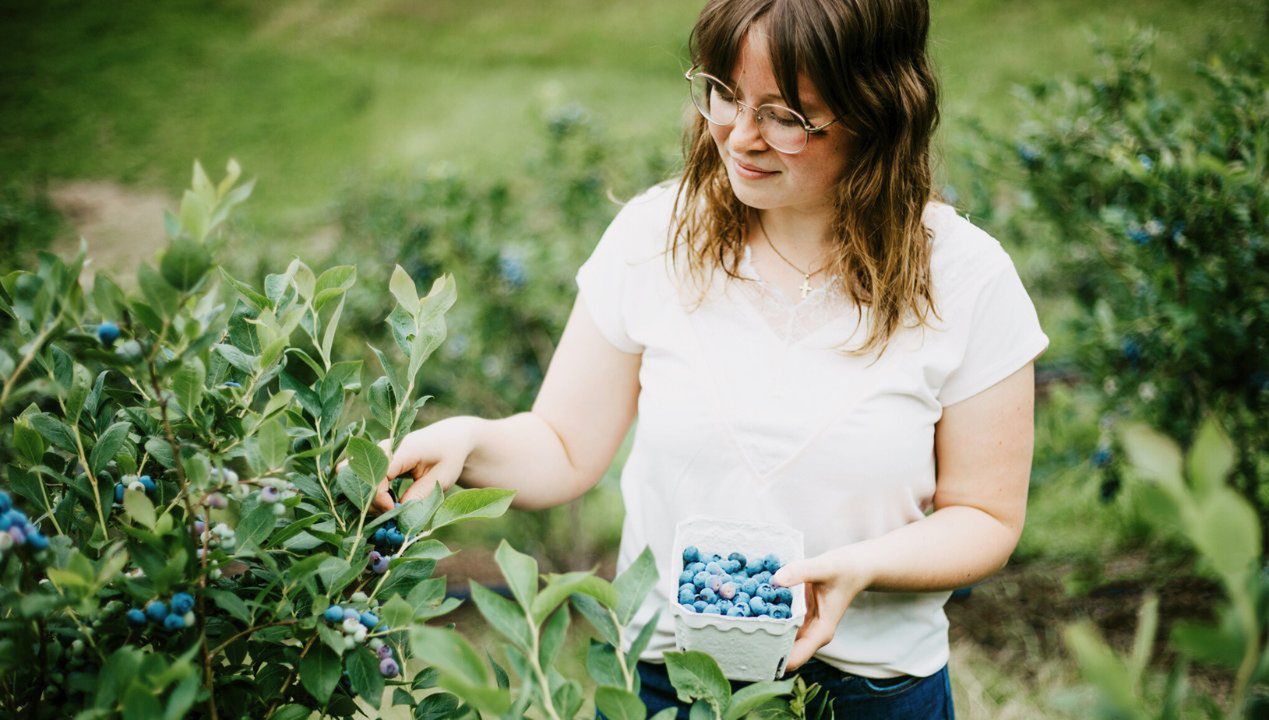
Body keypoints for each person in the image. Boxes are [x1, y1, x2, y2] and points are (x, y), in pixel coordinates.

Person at [364, 0, 1047, 717]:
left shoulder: (965, 278)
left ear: (875, 109)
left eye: (784, 116)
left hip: (871, 693)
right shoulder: (656, 236)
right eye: (723, 93)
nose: (738, 135)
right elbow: (563, 444)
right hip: (666, 685)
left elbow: (983, 517)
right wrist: (467, 441)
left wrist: (863, 566)